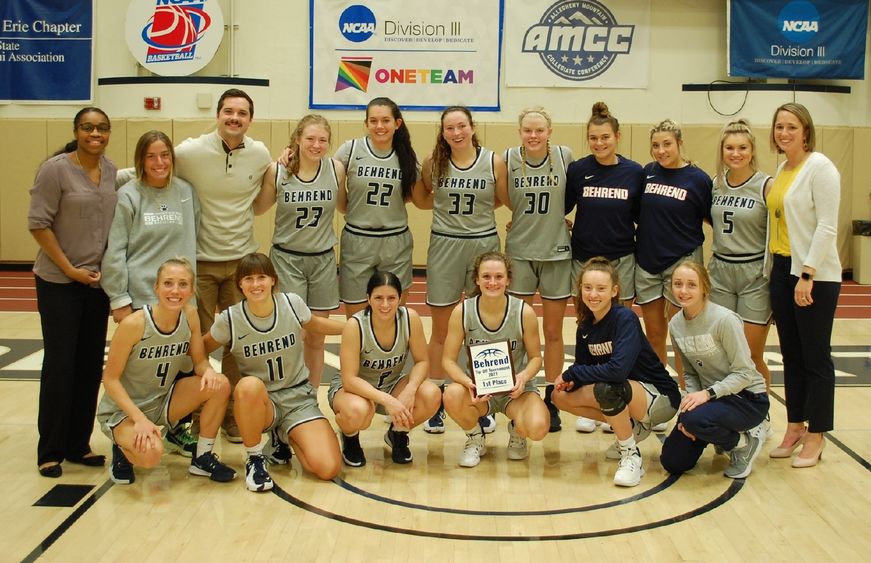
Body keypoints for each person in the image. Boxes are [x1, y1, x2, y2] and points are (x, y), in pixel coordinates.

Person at [175, 88, 273, 442]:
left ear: (250, 119)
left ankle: (234, 414)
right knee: (198, 345)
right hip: (199, 263)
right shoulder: (189, 152)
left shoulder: (260, 154)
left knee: (239, 343)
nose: (235, 118)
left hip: (241, 263)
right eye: (228, 111)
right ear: (217, 115)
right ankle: (202, 414)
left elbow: (264, 199)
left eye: (242, 113)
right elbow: (151, 165)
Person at [203, 253, 344, 492]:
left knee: (327, 468)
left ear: (273, 281)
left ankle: (284, 436)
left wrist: (357, 327)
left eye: (261, 277)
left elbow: (317, 325)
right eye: (248, 279)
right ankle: (255, 459)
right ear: (240, 284)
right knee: (247, 386)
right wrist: (205, 368)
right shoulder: (230, 318)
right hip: (261, 403)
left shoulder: (291, 304)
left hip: (297, 398)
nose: (256, 284)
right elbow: (201, 348)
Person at [28, 107, 117, 478]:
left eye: (101, 128)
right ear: (76, 131)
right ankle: (50, 448)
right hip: (60, 282)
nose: (94, 134)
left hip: (96, 285)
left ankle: (79, 443)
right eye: (87, 128)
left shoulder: (111, 171)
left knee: (88, 365)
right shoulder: (55, 170)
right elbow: (38, 224)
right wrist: (69, 269)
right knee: (61, 364)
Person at [101, 130, 201, 457]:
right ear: (141, 161)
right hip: (143, 298)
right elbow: (115, 251)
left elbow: (194, 237)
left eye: (165, 155)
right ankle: (123, 430)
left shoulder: (186, 192)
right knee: (136, 370)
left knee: (182, 362)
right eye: (151, 156)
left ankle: (176, 428)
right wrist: (119, 299)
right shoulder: (129, 195)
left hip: (181, 297)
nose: (159, 162)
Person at [97, 258, 236, 485]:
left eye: (183, 284)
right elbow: (110, 380)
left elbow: (199, 361)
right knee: (152, 455)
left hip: (162, 402)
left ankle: (202, 456)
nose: (175, 290)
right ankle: (122, 449)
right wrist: (138, 419)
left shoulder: (190, 315)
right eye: (168, 283)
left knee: (220, 384)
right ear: (156, 287)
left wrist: (208, 371)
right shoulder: (134, 324)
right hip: (123, 411)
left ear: (191, 290)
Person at [412, 106, 508, 435]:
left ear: (472, 127)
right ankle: (439, 397)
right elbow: (423, 198)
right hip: (445, 243)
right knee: (441, 328)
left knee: (483, 327)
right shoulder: (433, 163)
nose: (456, 132)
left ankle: (481, 399)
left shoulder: (493, 161)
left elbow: (501, 198)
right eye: (450, 128)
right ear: (443, 132)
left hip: (483, 245)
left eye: (461, 126)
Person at [552, 257, 679, 487]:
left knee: (608, 389)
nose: (593, 294)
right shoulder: (585, 327)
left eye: (601, 288)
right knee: (558, 396)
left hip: (660, 397)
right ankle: (631, 428)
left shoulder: (625, 318)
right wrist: (571, 381)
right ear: (580, 289)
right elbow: (584, 368)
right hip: (626, 393)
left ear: (614, 291)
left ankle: (631, 455)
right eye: (588, 288)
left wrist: (572, 374)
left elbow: (617, 371)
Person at [766, 102, 841, 468]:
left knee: (815, 357)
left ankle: (817, 434)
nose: (784, 133)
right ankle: (795, 425)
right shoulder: (783, 168)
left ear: (806, 131)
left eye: (791, 127)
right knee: (791, 356)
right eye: (780, 127)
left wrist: (807, 274)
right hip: (782, 270)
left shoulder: (820, 168)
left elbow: (827, 226)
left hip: (813, 276)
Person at [565, 101, 644, 434]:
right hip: (584, 260)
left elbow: (645, 215)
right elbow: (561, 209)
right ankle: (588, 397)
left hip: (621, 260)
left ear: (617, 136)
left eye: (605, 138)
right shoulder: (578, 169)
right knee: (587, 328)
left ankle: (618, 396)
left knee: (618, 331)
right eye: (593, 138)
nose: (599, 144)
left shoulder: (634, 173)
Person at [256, 115, 345, 388]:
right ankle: (286, 395)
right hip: (287, 258)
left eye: (322, 140)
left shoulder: (336, 169)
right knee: (291, 335)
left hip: (322, 260)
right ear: (297, 139)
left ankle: (311, 398)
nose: (316, 145)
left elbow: (345, 207)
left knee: (317, 337)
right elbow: (258, 208)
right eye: (309, 138)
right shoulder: (278, 171)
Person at [660, 261, 769, 479]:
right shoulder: (675, 325)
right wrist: (690, 403)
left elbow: (745, 373)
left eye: (691, 285)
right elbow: (690, 372)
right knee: (673, 461)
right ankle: (716, 430)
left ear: (704, 288)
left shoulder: (724, 320)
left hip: (747, 399)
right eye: (678, 284)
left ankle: (742, 442)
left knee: (694, 421)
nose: (683, 291)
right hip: (711, 400)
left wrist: (706, 395)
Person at [441, 251, 548, 467]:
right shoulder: (462, 312)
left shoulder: (523, 312)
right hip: (481, 392)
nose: (492, 282)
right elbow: (448, 361)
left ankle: (518, 430)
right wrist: (467, 383)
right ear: (477, 279)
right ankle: (475, 437)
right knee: (452, 394)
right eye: (486, 276)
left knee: (538, 428)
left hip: (516, 392)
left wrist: (523, 376)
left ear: (508, 279)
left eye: (499, 277)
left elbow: (536, 358)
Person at [503, 107, 573, 433]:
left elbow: (573, 198)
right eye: (528, 130)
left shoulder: (564, 156)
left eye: (539, 130)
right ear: (520, 132)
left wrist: (566, 220)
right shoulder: (508, 158)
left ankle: (552, 398)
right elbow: (505, 198)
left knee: (554, 332)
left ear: (550, 131)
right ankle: (513, 393)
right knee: (516, 333)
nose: (533, 136)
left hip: (556, 252)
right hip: (519, 253)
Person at [329, 271, 440, 466]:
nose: (385, 304)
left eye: (391, 298)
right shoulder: (355, 326)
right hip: (354, 391)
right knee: (358, 412)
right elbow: (349, 379)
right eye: (378, 298)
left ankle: (398, 434)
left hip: (391, 384)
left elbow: (422, 361)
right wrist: (388, 400)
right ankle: (350, 438)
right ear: (368, 299)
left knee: (431, 394)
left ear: (400, 298)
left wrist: (411, 390)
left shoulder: (410, 318)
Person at [636, 119, 713, 386]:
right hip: (647, 264)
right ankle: (661, 393)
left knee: (682, 336)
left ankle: (686, 393)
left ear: (679, 143)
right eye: (655, 145)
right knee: (655, 335)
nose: (661, 150)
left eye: (667, 144)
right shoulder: (647, 173)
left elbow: (711, 218)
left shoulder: (699, 179)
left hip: (682, 263)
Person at [335, 97, 419, 318]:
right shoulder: (350, 150)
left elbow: (411, 196)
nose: (379, 126)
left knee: (394, 314)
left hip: (395, 240)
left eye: (385, 120)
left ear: (397, 124)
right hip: (357, 238)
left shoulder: (407, 155)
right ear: (366, 123)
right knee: (356, 317)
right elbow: (324, 176)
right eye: (373, 121)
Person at [709, 120, 772, 390]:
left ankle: (761, 413)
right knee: (722, 353)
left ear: (753, 150)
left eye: (742, 148)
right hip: (720, 271)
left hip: (753, 272)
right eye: (730, 148)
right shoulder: (716, 184)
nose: (736, 153)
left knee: (751, 354)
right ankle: (729, 412)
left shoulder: (766, 185)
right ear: (722, 150)